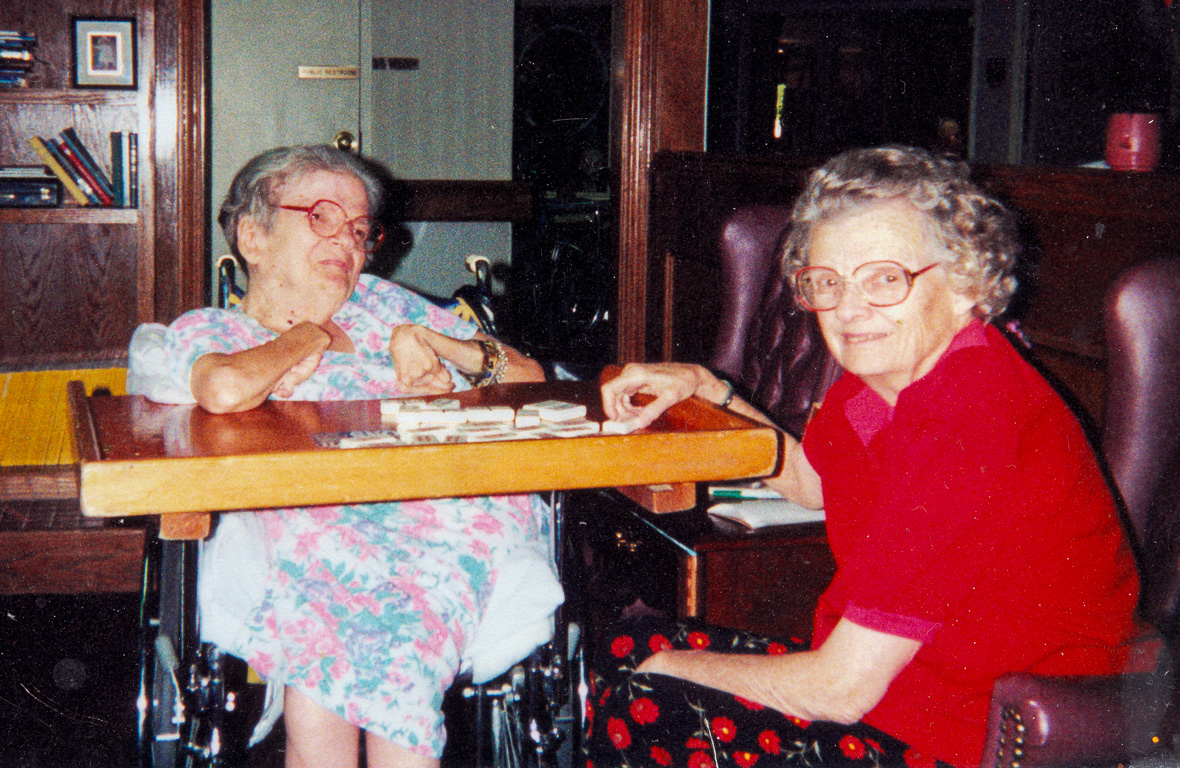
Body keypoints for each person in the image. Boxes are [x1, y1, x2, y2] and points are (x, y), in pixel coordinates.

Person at [589, 145, 1157, 767]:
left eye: (885, 279)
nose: (848, 310)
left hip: (960, 737)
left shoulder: (972, 421)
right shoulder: (885, 384)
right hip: (907, 696)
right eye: (827, 283)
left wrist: (673, 669)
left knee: (642, 694)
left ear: (968, 280)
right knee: (623, 644)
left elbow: (839, 689)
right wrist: (710, 391)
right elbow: (813, 481)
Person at [127, 145, 556, 768]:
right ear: (252, 235)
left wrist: (432, 340)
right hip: (318, 523)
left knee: (387, 635)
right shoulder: (218, 329)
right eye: (322, 216)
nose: (348, 242)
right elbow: (221, 389)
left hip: (443, 515)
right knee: (326, 632)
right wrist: (310, 333)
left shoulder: (388, 305)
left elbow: (530, 377)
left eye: (359, 230)